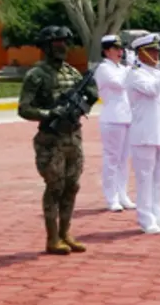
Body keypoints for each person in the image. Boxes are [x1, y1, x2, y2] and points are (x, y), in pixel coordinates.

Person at [18, 26, 99, 255]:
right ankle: (52, 237)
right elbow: (24, 108)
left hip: (73, 136)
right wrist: (49, 114)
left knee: (72, 186)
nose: (62, 46)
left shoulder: (72, 73)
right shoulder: (36, 75)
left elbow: (86, 98)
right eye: (57, 43)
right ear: (45, 47)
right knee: (55, 186)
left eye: (65, 42)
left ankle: (66, 233)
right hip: (51, 139)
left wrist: (89, 99)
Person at [125, 33, 160, 233]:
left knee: (158, 179)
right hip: (145, 134)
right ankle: (146, 218)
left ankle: (158, 214)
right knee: (145, 179)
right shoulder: (135, 73)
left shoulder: (158, 73)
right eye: (151, 51)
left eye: (157, 51)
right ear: (141, 53)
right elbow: (153, 90)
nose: (156, 54)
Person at [94, 34, 135, 212]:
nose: (120, 52)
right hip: (112, 118)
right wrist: (131, 68)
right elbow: (119, 84)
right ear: (106, 51)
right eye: (116, 49)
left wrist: (129, 68)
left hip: (126, 117)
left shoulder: (121, 68)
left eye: (121, 49)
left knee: (124, 159)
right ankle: (111, 197)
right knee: (112, 159)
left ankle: (123, 194)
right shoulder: (104, 68)